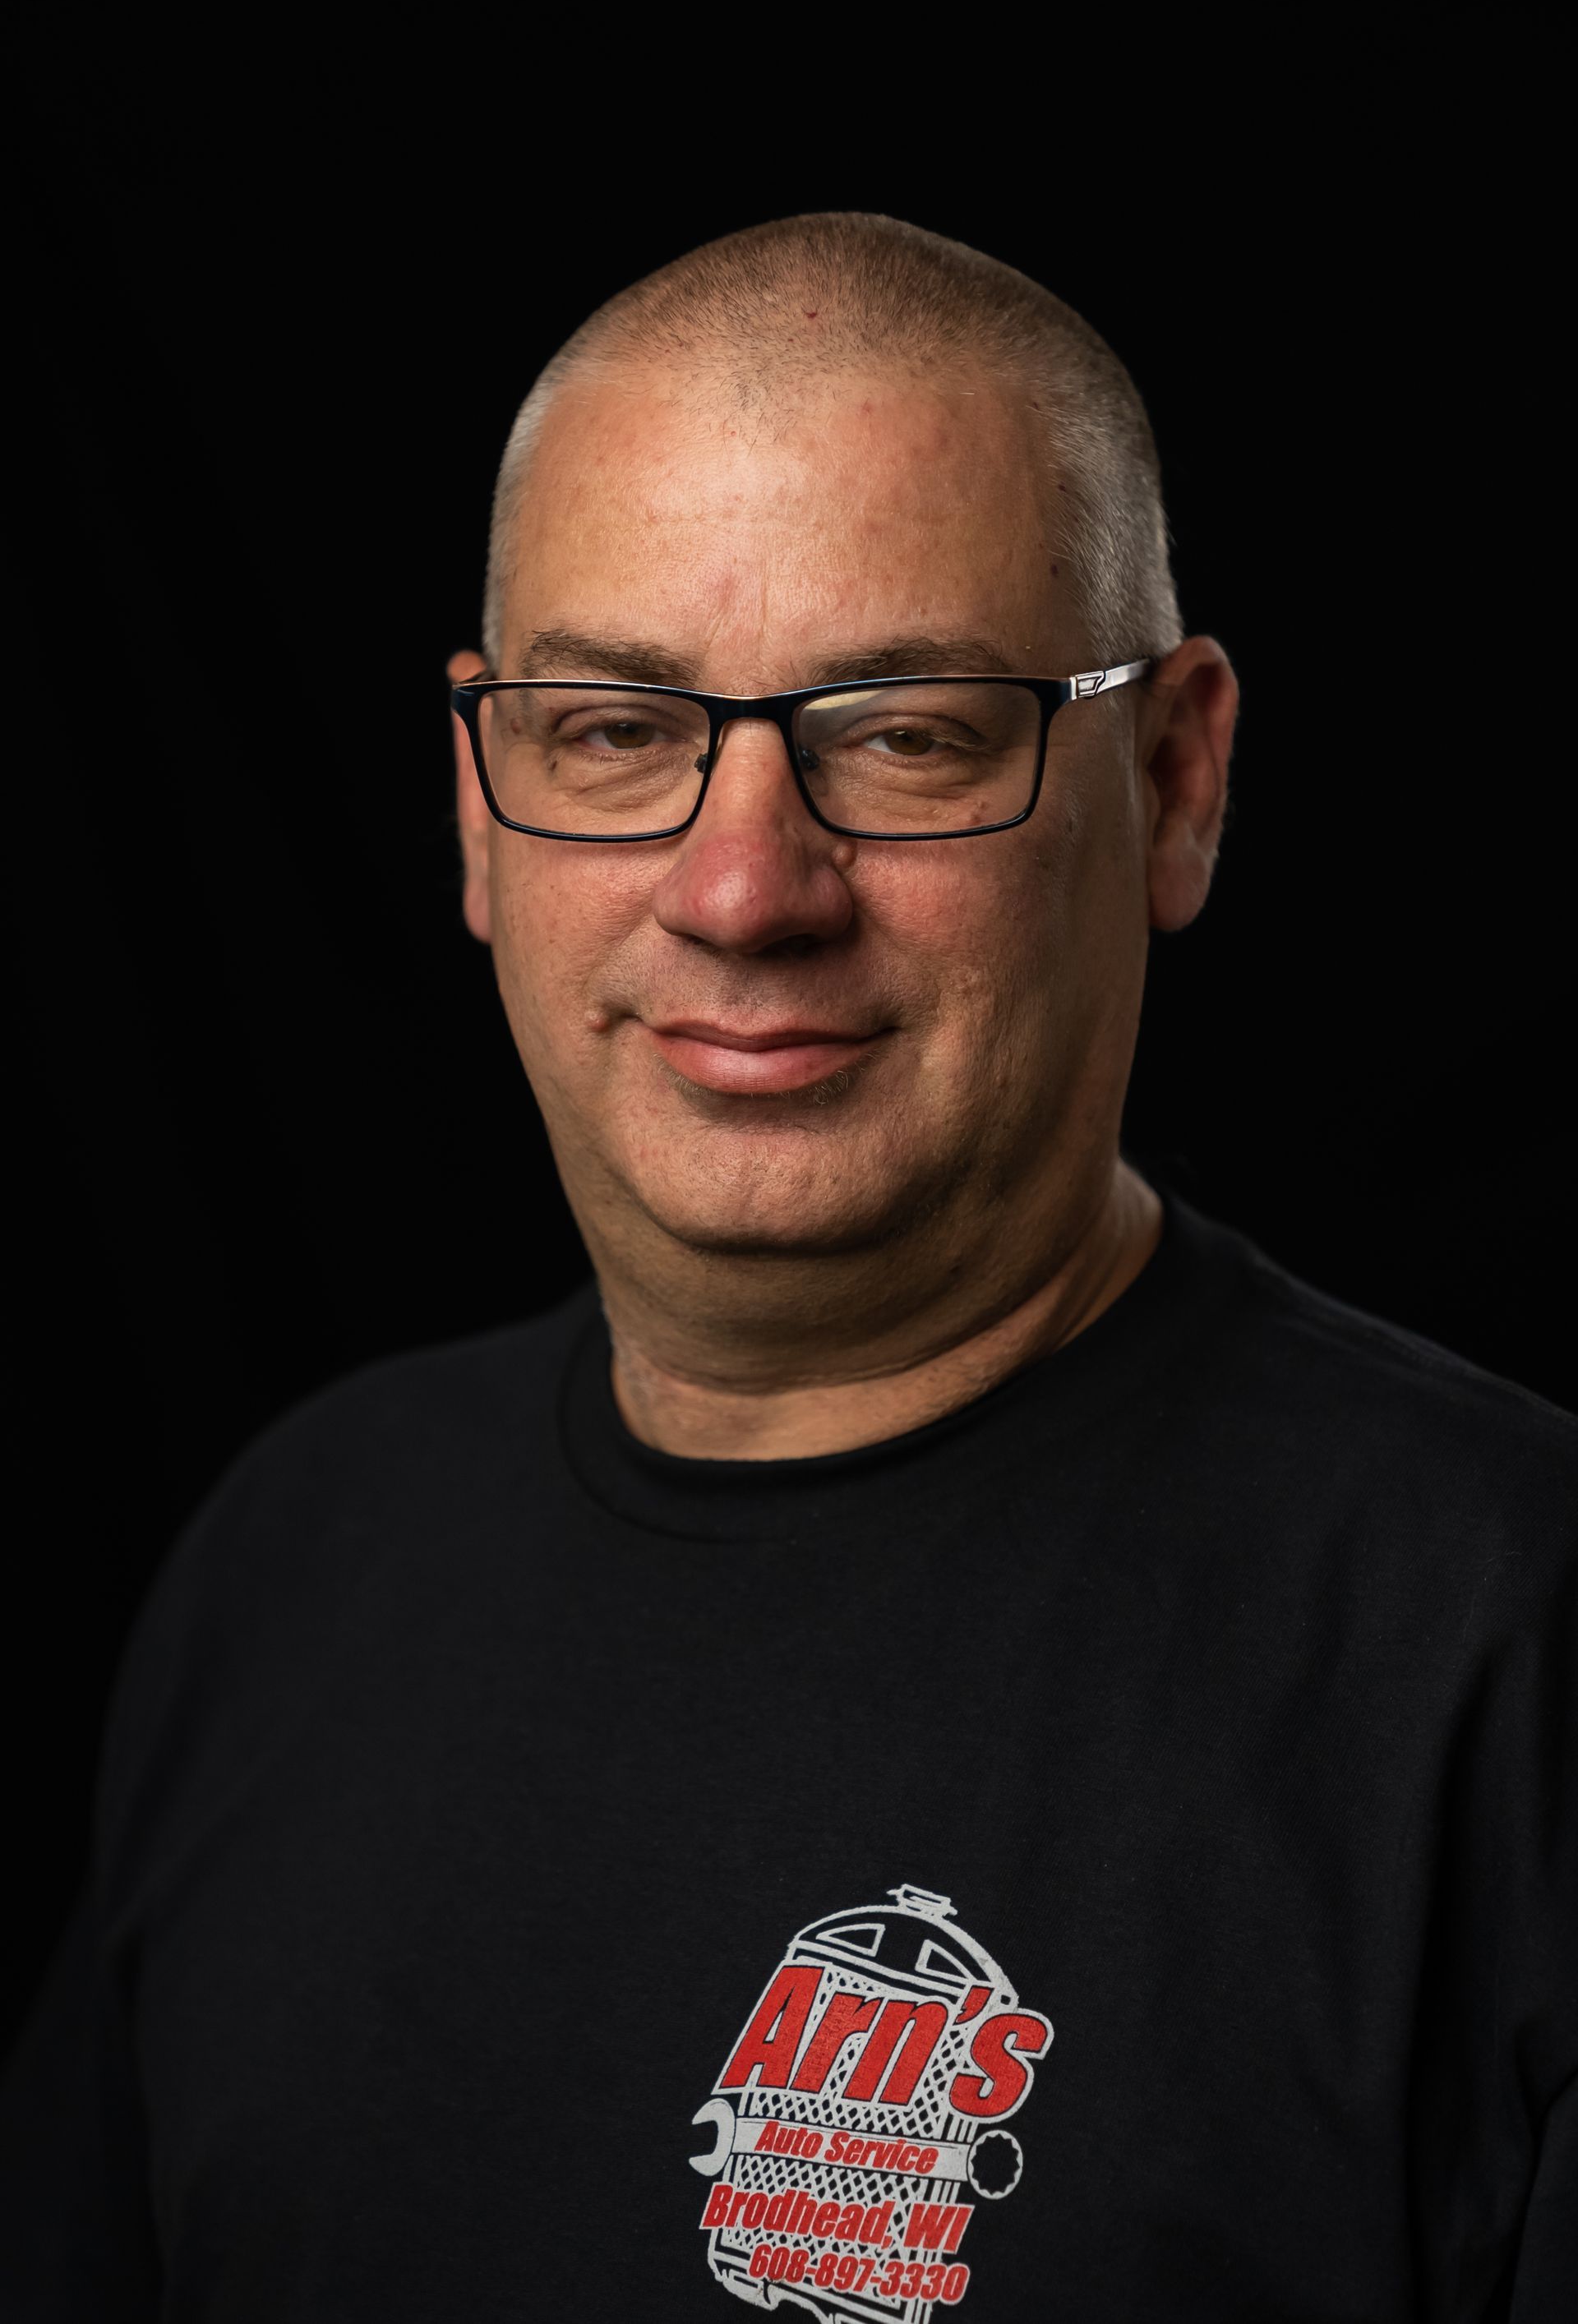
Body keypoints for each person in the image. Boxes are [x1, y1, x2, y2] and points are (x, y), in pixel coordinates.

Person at [1, 211, 1571, 2323]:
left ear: (1178, 778)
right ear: (479, 801)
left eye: (909, 731)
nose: (744, 888)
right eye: (618, 733)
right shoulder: (290, 1560)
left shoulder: (1514, 1653)